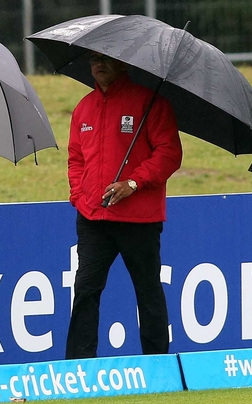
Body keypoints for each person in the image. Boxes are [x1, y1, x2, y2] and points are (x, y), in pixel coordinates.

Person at [65, 52, 183, 358]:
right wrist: (79, 195)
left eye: (106, 59)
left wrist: (133, 183)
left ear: (124, 63)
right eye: (94, 59)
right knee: (85, 292)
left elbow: (170, 154)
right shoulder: (83, 108)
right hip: (93, 217)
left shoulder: (150, 101)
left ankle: (157, 364)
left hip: (139, 219)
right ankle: (78, 367)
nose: (99, 64)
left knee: (147, 292)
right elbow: (76, 160)